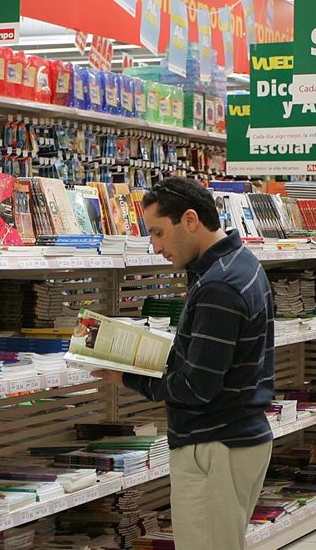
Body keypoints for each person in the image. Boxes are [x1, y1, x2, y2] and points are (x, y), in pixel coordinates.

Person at [94, 177, 274, 550]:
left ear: (190, 220)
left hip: (214, 447)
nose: (156, 247)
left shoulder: (218, 286)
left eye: (159, 233)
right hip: (237, 438)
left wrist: (127, 376)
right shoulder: (240, 264)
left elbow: (196, 388)